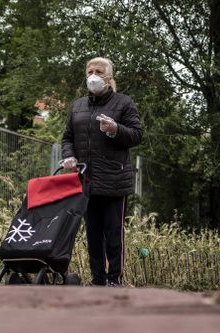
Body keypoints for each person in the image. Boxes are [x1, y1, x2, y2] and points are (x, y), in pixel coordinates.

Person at [61, 57, 143, 287]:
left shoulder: (124, 103)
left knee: (113, 235)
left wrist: (115, 129)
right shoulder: (77, 106)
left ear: (109, 77)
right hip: (86, 180)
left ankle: (114, 279)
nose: (93, 75)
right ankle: (97, 280)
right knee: (93, 235)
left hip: (115, 180)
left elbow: (137, 135)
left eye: (98, 71)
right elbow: (68, 137)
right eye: (90, 71)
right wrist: (69, 156)